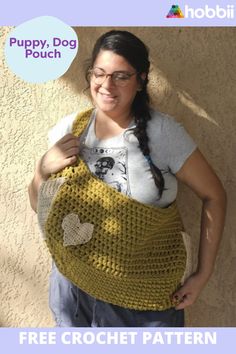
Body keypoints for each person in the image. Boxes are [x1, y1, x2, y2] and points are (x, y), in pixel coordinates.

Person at [28, 30, 227, 327]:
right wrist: (41, 169)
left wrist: (203, 274)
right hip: (74, 295)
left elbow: (214, 195)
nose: (107, 85)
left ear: (141, 79)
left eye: (121, 76)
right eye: (100, 73)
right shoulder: (70, 129)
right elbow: (41, 207)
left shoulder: (164, 134)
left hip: (143, 307)